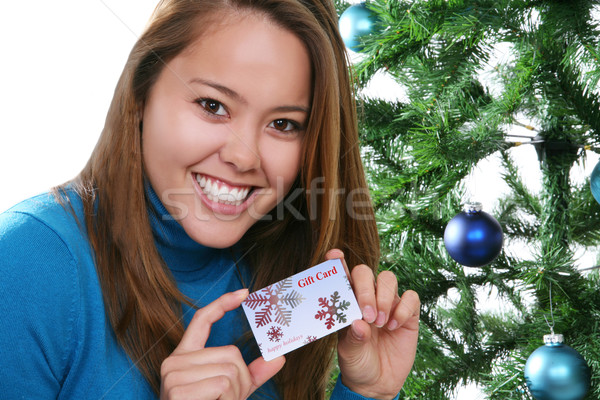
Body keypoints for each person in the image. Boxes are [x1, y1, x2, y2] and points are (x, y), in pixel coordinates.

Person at [0, 0, 420, 399]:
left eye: (283, 123)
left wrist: (368, 393)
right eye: (212, 105)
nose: (243, 156)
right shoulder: (31, 263)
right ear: (141, 93)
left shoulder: (287, 282)